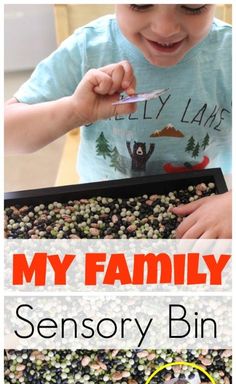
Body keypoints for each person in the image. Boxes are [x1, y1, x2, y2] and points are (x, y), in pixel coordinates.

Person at [4, 4, 232, 238]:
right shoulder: (88, 48)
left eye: (192, 6)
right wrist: (75, 110)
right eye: (140, 4)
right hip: (100, 209)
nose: (164, 29)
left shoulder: (228, 53)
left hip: (207, 210)